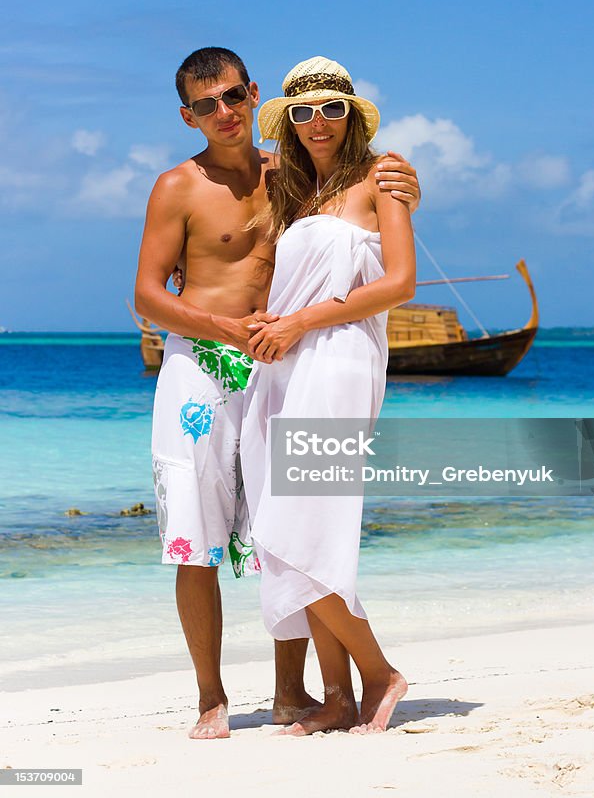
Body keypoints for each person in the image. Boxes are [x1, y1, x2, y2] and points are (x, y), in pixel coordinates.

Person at [134, 47, 420, 739]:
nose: (224, 113)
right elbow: (145, 294)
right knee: (197, 537)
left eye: (233, 97)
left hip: (286, 362)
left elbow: (369, 228)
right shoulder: (181, 185)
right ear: (188, 115)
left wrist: (403, 185)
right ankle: (218, 697)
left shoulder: (288, 175)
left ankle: (299, 692)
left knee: (281, 527)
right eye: (206, 105)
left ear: (250, 93)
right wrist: (218, 327)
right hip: (208, 366)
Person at [240, 56, 416, 735]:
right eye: (303, 111)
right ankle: (337, 695)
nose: (318, 122)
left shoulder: (383, 177)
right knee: (295, 532)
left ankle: (380, 675)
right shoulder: (295, 194)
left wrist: (300, 321)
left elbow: (398, 282)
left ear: (352, 117)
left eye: (331, 109)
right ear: (288, 120)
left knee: (298, 527)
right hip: (286, 362)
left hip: (339, 361)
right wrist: (267, 322)